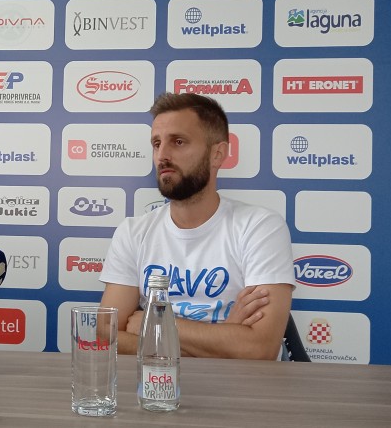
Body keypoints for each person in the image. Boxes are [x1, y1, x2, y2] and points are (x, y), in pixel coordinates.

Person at [99, 92, 295, 360]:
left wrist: (152, 324)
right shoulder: (133, 232)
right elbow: (107, 336)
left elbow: (259, 349)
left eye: (178, 142)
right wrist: (225, 337)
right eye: (156, 143)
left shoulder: (260, 227)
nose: (162, 155)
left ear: (217, 154)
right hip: (155, 383)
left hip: (238, 385)